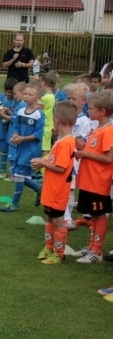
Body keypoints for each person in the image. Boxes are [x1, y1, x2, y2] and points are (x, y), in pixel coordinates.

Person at [30, 102, 76, 264]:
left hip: (58, 190)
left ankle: (59, 253)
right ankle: (49, 247)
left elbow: (60, 168)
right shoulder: (63, 139)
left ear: (56, 120)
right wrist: (44, 160)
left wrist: (42, 164)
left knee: (58, 221)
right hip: (51, 188)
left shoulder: (66, 143)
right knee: (49, 217)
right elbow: (55, 160)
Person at [73, 90, 113, 263]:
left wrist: (86, 154)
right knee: (93, 215)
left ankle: (97, 251)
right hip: (89, 181)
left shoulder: (108, 131)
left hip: (98, 182)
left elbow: (108, 158)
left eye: (91, 108)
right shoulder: (97, 129)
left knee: (99, 215)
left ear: (102, 111)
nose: (88, 111)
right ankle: (91, 247)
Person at [0, 83, 44, 212]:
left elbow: (38, 134)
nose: (26, 96)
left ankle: (15, 203)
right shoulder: (20, 110)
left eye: (30, 94)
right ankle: (39, 189)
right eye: (25, 93)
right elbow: (16, 127)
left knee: (18, 175)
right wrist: (15, 136)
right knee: (16, 173)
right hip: (18, 146)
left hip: (30, 150)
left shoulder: (39, 114)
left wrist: (22, 139)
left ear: (38, 97)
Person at [62, 83, 92, 229]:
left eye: (74, 99)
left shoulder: (84, 121)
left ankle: (67, 218)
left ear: (83, 101)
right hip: (66, 157)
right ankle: (66, 216)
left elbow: (82, 142)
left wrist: (69, 138)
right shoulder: (70, 118)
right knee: (65, 187)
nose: (70, 101)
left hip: (74, 159)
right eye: (69, 98)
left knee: (69, 188)